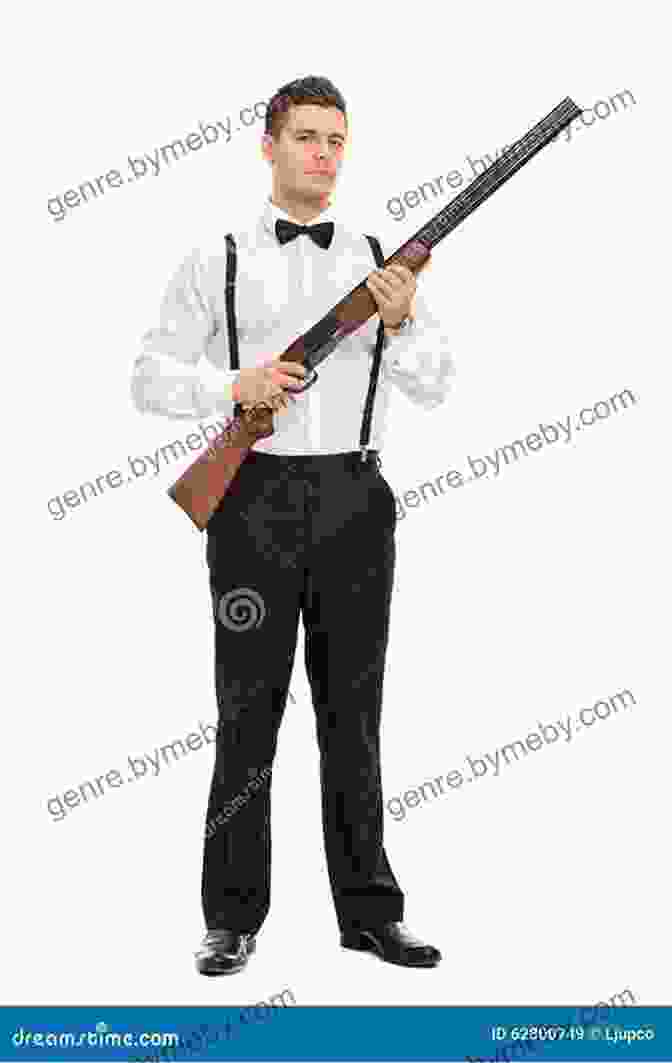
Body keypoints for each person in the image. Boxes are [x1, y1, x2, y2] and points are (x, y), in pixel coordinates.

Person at [131, 75, 456, 974]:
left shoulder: (383, 258)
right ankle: (231, 915)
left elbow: (436, 384)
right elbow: (148, 376)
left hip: (356, 504)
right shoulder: (217, 256)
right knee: (247, 716)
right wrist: (232, 387)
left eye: (336, 140)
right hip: (252, 505)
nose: (323, 153)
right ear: (268, 145)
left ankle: (370, 912)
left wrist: (409, 314)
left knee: (355, 716)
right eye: (306, 136)